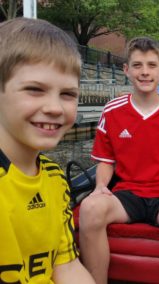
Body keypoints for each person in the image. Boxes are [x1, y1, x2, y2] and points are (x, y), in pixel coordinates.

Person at [79, 36, 159, 284]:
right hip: (127, 194)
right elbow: (106, 159)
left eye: (152, 65)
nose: (145, 72)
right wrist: (100, 187)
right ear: (126, 70)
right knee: (89, 207)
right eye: (138, 65)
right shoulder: (112, 110)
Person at [0, 18, 95, 283]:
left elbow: (66, 266)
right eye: (34, 89)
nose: (54, 107)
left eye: (67, 94)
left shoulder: (54, 177)